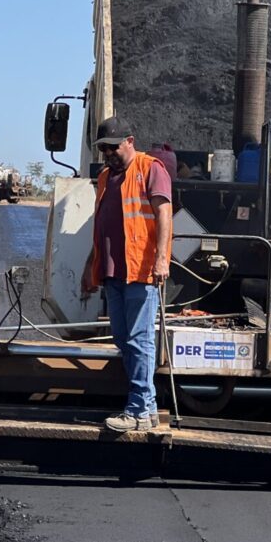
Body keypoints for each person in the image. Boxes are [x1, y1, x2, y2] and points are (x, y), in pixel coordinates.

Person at [80, 116, 172, 432]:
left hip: (140, 270)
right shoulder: (106, 177)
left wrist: (162, 260)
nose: (107, 153)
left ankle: (140, 410)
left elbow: (163, 215)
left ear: (129, 141)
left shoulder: (151, 169)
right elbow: (101, 225)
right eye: (103, 149)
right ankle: (143, 408)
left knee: (140, 338)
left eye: (112, 147)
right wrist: (90, 266)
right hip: (113, 271)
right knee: (123, 337)